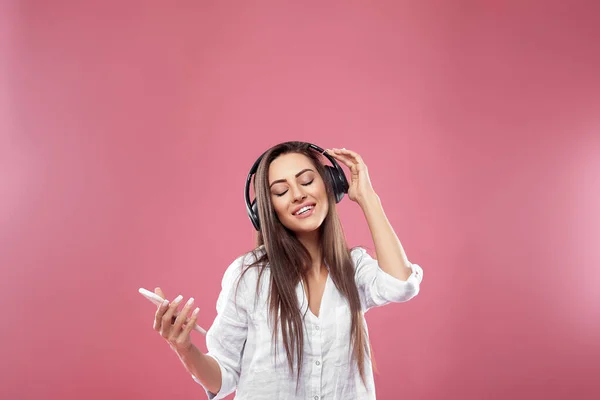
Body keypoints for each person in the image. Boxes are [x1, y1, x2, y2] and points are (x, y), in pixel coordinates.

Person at [150, 141, 424, 399]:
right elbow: (223, 375)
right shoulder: (249, 276)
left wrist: (367, 198)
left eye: (306, 181)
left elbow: (401, 284)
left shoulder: (353, 268)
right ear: (267, 210)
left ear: (330, 184)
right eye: (281, 191)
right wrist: (183, 347)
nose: (298, 194)